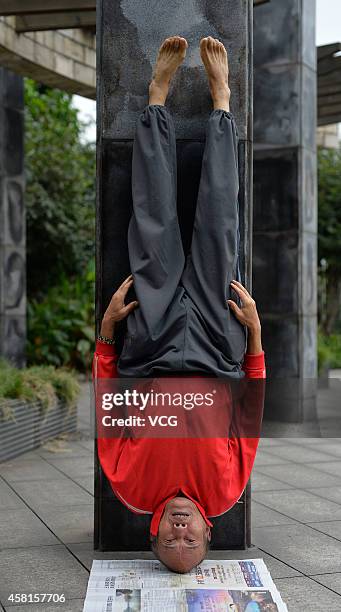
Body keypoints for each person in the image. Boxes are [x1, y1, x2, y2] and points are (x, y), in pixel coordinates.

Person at [93, 36, 266, 574]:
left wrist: (105, 337)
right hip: (218, 345)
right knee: (219, 222)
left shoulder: (130, 487)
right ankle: (221, 103)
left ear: (155, 530)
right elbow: (251, 414)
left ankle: (155, 101)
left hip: (151, 346)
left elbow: (109, 410)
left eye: (171, 541)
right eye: (193, 542)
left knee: (152, 226)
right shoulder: (226, 490)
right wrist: (256, 336)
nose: (182, 532)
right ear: (209, 529)